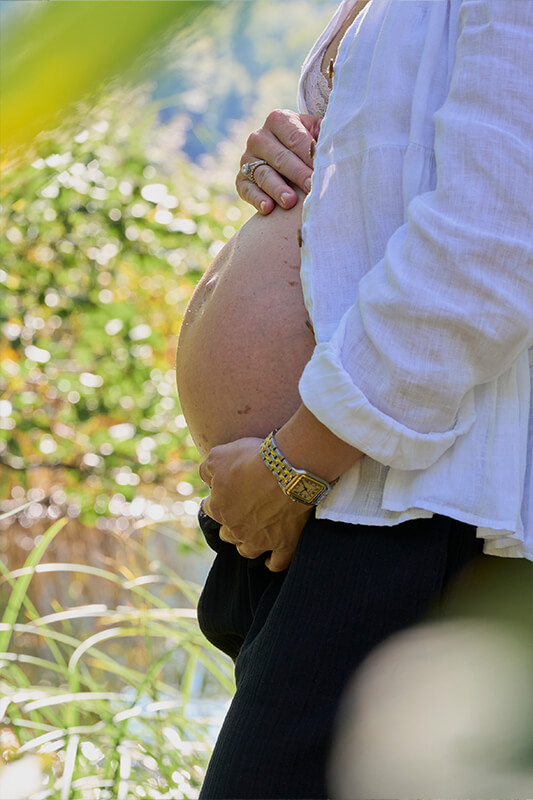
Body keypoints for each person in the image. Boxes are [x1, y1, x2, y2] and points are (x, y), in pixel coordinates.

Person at [176, 1, 533, 797]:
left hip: (414, 517)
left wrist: (293, 466)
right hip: (343, 503)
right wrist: (296, 156)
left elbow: (495, 244)